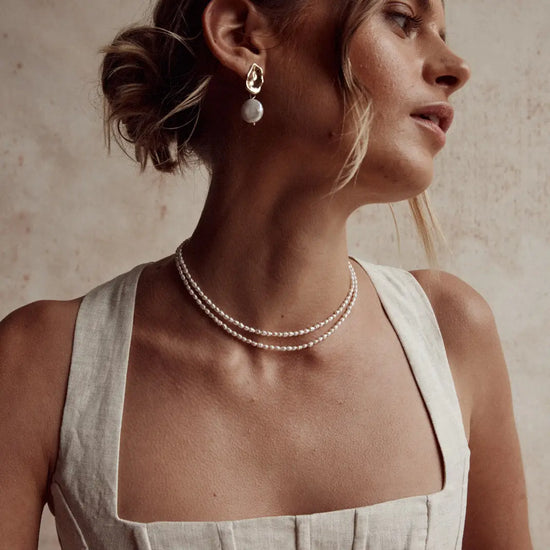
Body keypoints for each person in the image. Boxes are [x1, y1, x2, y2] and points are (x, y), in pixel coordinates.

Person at [0, 0, 533, 548]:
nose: (456, 67)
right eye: (402, 18)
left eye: (441, 30)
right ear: (240, 36)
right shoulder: (42, 366)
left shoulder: (451, 335)